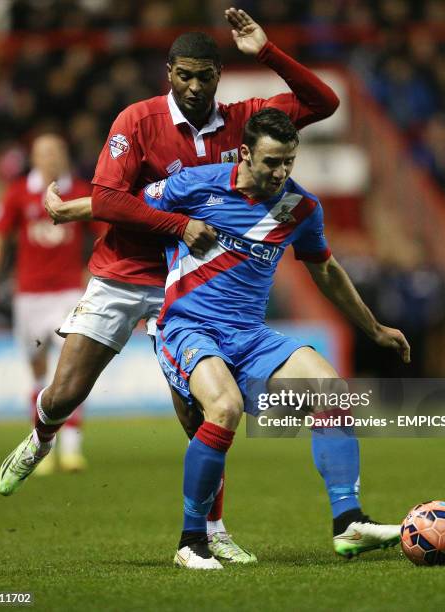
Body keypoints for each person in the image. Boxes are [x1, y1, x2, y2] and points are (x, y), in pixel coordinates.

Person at [0, 8, 340, 565]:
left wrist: (269, 52)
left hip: (192, 288)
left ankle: (213, 529)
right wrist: (180, 226)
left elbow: (324, 102)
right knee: (65, 393)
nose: (197, 86)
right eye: (186, 75)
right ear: (169, 72)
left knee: (206, 414)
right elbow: (109, 200)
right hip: (124, 273)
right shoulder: (137, 120)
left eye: (206, 76)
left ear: (219, 76)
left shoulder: (244, 123)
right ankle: (41, 436)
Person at [143, 109, 411, 569]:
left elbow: (324, 268)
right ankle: (192, 542)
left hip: (251, 336)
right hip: (189, 326)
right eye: (271, 162)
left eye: (289, 161)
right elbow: (123, 204)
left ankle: (347, 521)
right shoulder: (194, 184)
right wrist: (74, 211)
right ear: (245, 153)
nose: (280, 172)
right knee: (223, 409)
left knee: (332, 391)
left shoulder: (298, 207)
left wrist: (373, 327)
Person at [0, 134, 102, 473]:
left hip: (67, 294)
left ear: (64, 156)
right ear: (33, 157)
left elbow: (104, 233)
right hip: (29, 296)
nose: (50, 158)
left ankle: (72, 450)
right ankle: (41, 446)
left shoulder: (78, 191)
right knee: (38, 372)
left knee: (71, 371)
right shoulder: (18, 192)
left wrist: (93, 271)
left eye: (56, 152)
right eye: (43, 153)